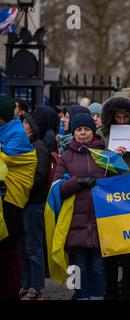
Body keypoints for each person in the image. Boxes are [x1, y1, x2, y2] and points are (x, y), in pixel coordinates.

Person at [53, 113, 113, 300]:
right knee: (77, 267)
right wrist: (78, 182)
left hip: (99, 220)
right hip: (74, 222)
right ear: (73, 132)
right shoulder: (66, 156)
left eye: (86, 129)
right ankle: (79, 295)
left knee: (97, 266)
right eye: (79, 130)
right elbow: (57, 188)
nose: (83, 133)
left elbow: (116, 183)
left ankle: (97, 296)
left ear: (93, 132)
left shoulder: (105, 154)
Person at [98, 96, 130, 300]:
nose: (123, 121)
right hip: (108, 196)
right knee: (110, 247)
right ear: (111, 117)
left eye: (126, 116)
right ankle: (110, 291)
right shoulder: (101, 135)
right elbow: (94, 163)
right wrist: (111, 154)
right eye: (118, 117)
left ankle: (127, 290)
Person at [0, 95, 37, 300]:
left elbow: (5, 161)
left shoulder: (16, 134)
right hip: (4, 200)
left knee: (8, 252)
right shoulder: (8, 130)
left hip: (10, 202)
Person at [19, 111, 52, 300]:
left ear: (33, 127)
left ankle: (36, 287)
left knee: (33, 246)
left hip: (33, 204)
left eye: (25, 122)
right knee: (23, 246)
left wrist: (21, 186)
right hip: (24, 203)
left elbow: (39, 177)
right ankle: (25, 284)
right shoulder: (28, 145)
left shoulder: (39, 147)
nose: (22, 125)